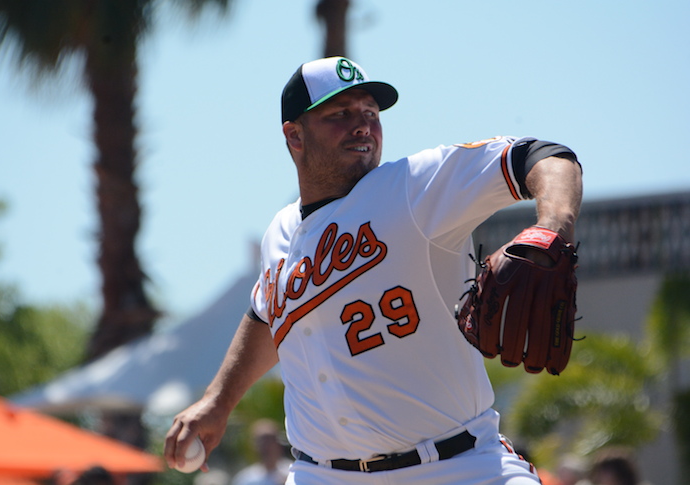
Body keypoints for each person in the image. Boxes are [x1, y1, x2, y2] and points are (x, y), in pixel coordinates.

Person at [164, 56, 583, 484]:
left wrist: (552, 227)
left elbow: (543, 156)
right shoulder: (281, 232)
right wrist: (217, 401)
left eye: (370, 112)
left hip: (457, 467)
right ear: (294, 136)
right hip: (321, 475)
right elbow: (268, 315)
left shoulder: (411, 187)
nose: (362, 125)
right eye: (340, 114)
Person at [231, 419, 292, 485]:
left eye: (269, 440)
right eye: (261, 441)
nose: (265, 446)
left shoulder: (292, 473)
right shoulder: (245, 480)